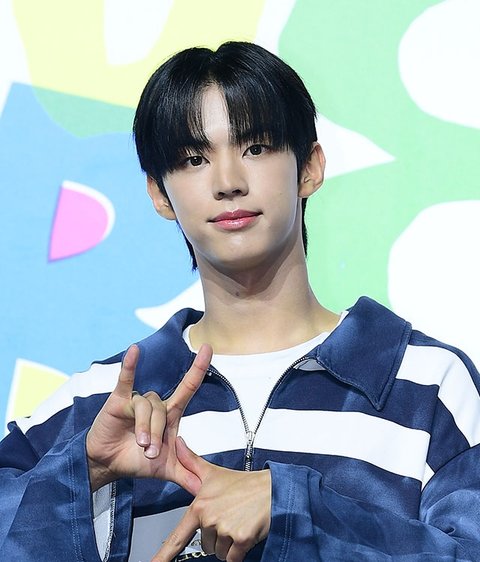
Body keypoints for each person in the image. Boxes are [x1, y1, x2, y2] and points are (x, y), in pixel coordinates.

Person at [1, 41, 480, 562]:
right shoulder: (101, 402)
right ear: (160, 194)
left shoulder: (427, 384)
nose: (228, 183)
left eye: (255, 148)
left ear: (309, 167)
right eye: (194, 159)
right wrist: (85, 472)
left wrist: (295, 508)